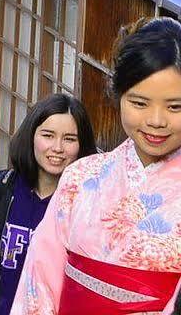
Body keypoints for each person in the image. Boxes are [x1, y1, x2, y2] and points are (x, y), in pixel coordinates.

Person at [11, 18, 181, 315]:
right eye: (140, 103)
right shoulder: (81, 176)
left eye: (175, 106)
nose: (156, 120)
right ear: (117, 97)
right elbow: (40, 277)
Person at [0, 93, 93, 315]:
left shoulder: (90, 203)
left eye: (69, 139)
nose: (57, 148)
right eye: (48, 135)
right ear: (32, 136)